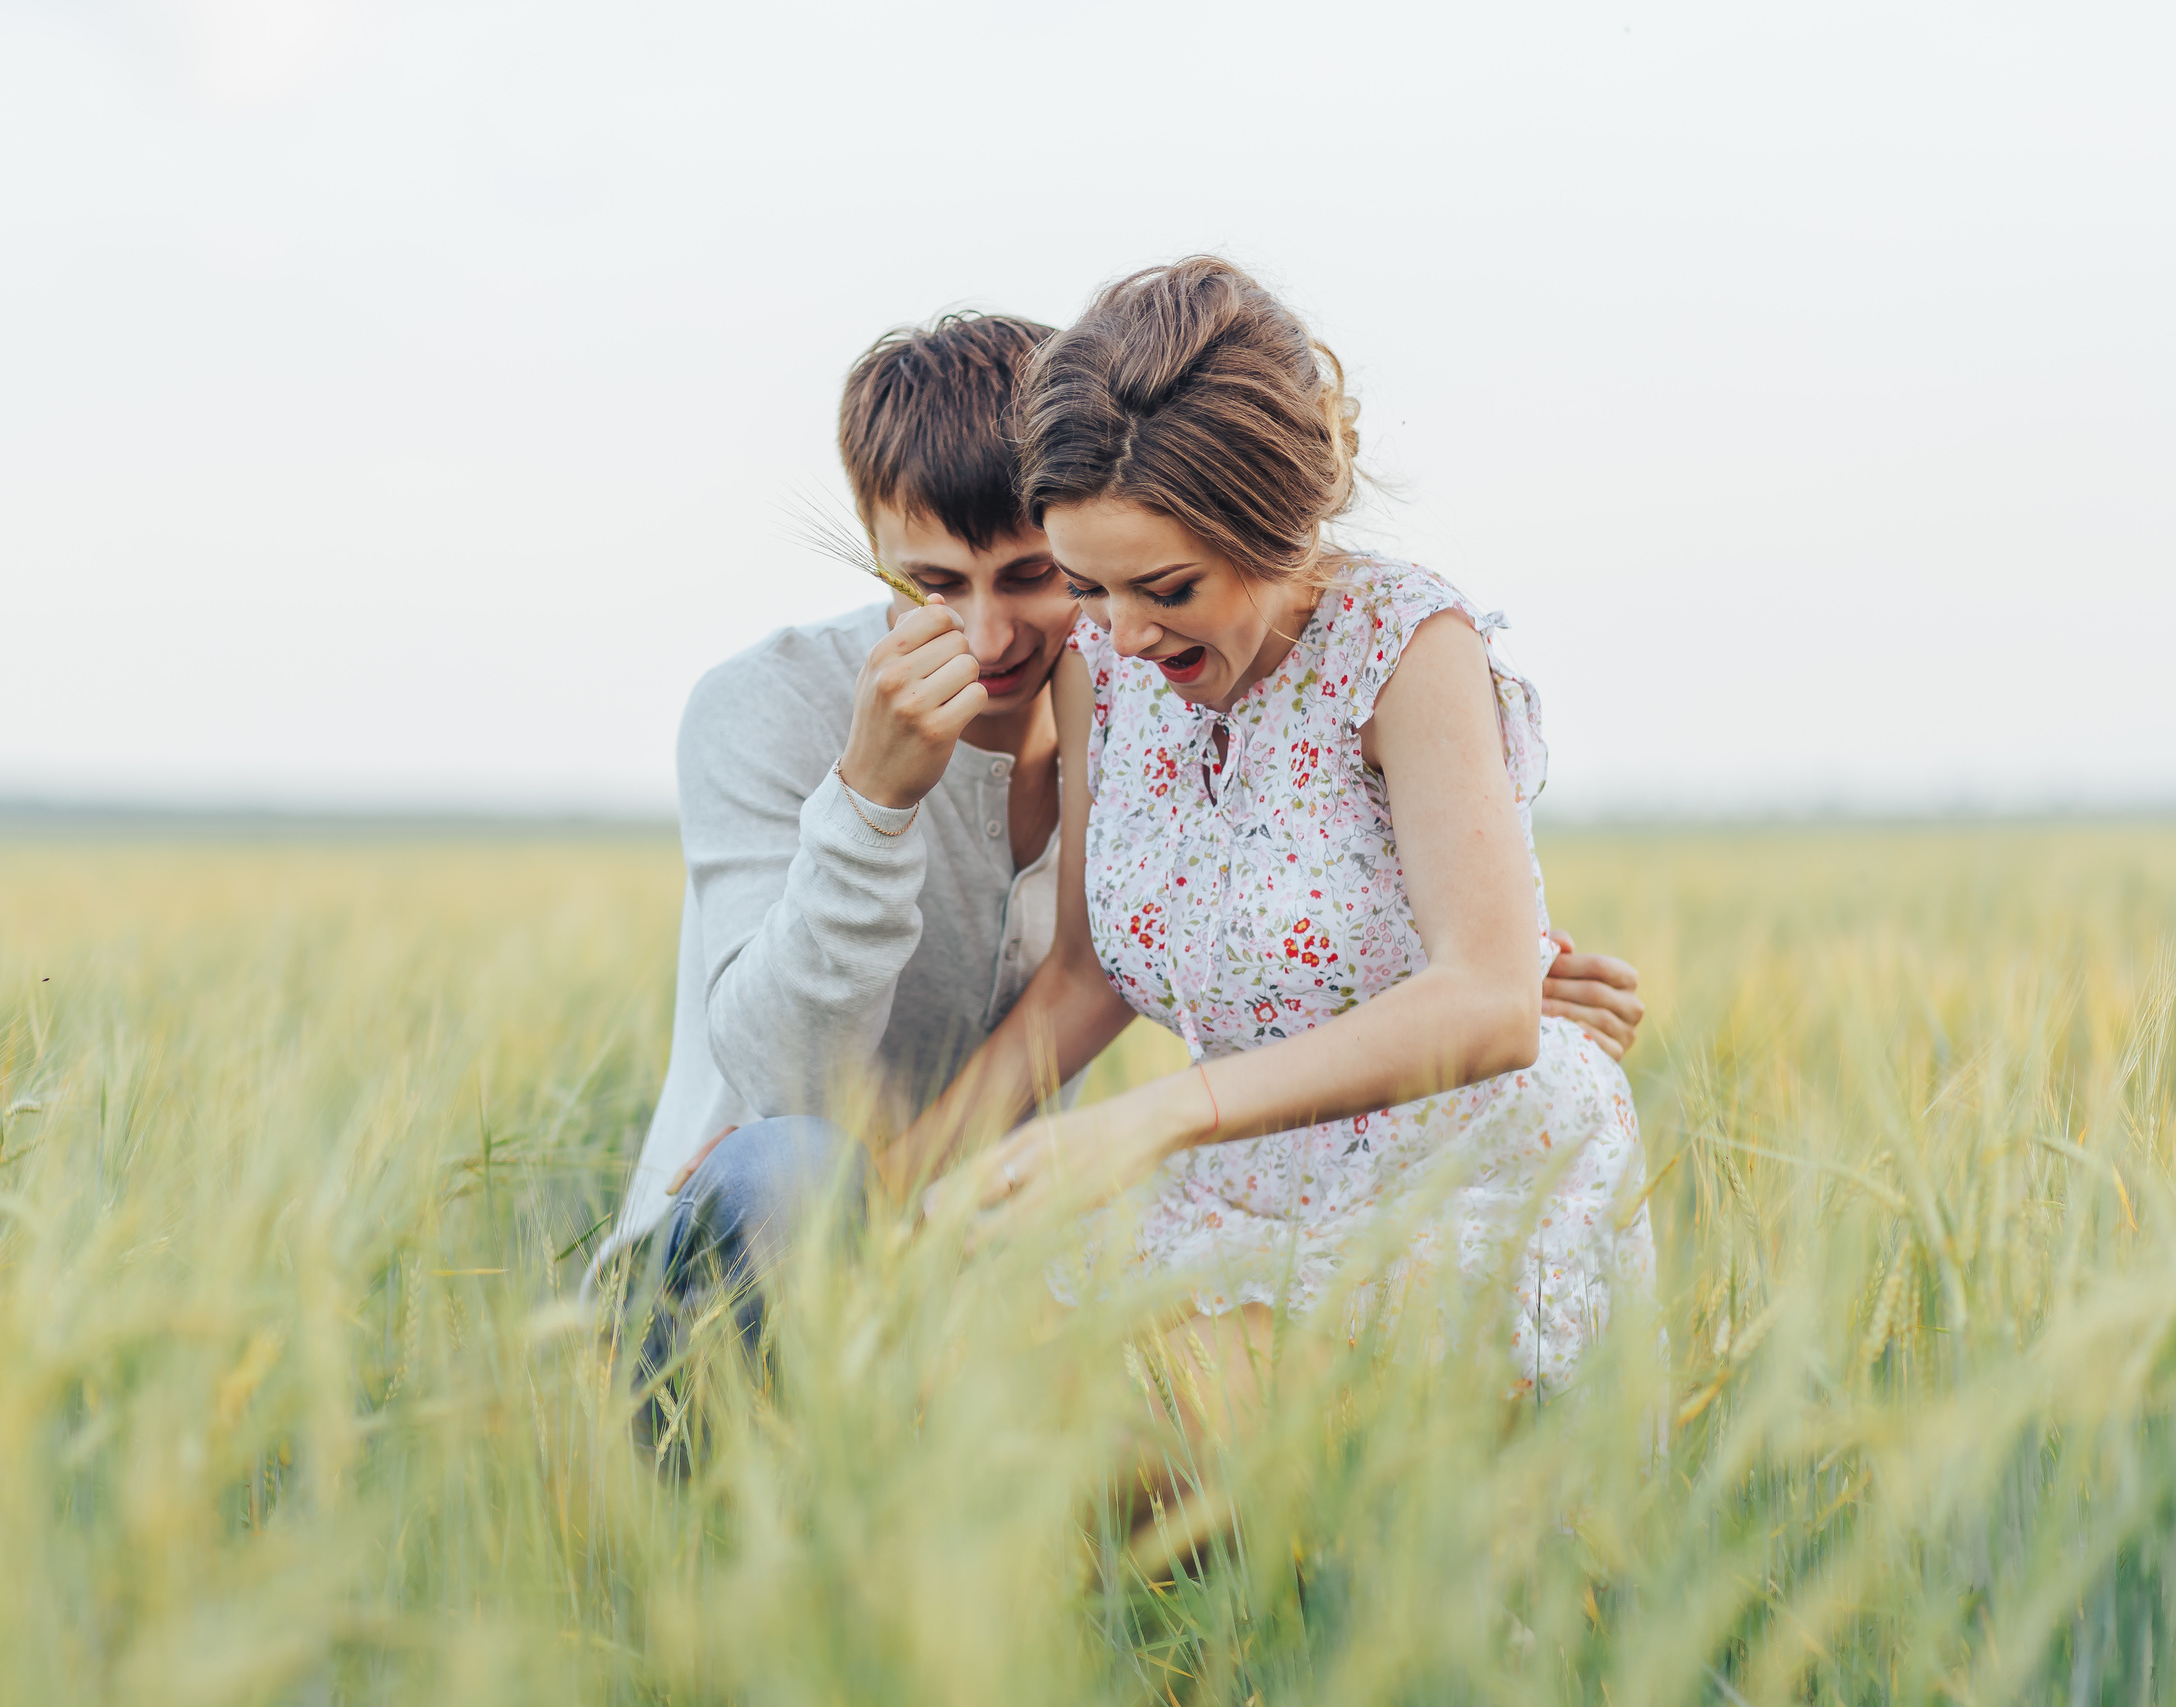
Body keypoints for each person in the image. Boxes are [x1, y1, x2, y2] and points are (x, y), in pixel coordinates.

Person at [598, 309, 1648, 1401]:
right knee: (886, 1296)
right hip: (1133, 1190)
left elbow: (1445, 970)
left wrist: (1469, 978)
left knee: (1040, 1439)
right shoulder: (855, 698)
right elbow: (1043, 991)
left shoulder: (1326, 648)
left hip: (1375, 1187)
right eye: (935, 586)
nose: (1011, 637)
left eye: (1044, 579)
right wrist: (877, 1204)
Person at [909, 257, 1655, 1403]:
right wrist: (900, 1189)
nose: (1124, 634)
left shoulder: (1408, 649)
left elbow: (1490, 1002)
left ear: (1277, 526)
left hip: (1454, 1187)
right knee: (944, 1394)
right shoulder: (1099, 668)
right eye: (1089, 587)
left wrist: (1154, 1117)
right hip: (1234, 1189)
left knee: (1089, 1434)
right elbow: (1080, 975)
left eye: (1167, 587)